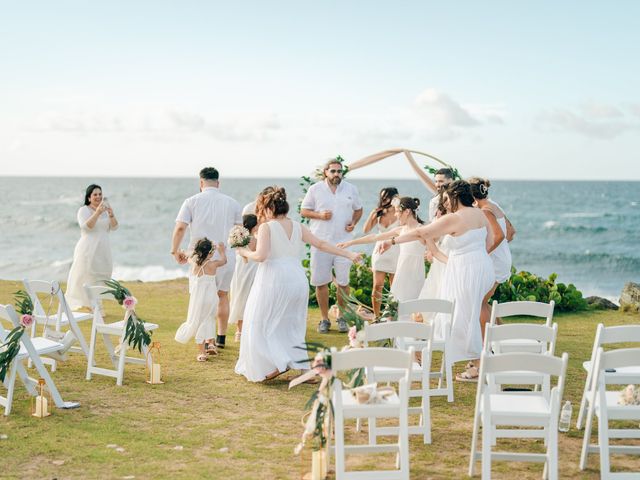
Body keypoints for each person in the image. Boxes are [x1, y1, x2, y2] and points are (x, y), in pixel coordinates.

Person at [234, 187, 361, 382]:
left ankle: (278, 362)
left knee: (261, 320)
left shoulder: (266, 227)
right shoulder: (297, 226)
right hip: (296, 278)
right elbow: (321, 244)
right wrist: (349, 254)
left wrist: (244, 253)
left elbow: (261, 256)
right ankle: (303, 369)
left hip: (274, 278)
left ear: (268, 208)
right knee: (292, 323)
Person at [377, 181, 495, 381]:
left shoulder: (455, 218)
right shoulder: (480, 214)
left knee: (463, 315)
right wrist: (463, 257)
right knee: (471, 312)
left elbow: (421, 232)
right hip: (483, 266)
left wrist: (392, 241)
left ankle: (477, 364)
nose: (445, 203)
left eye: (447, 198)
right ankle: (478, 359)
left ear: (455, 196)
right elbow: (490, 241)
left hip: (465, 270)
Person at [171, 167, 242, 351]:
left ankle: (205, 343)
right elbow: (240, 232)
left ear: (201, 183)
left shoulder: (191, 201)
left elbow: (180, 228)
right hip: (224, 257)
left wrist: (175, 250)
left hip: (200, 260)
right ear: (218, 183)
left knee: (201, 298)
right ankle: (220, 337)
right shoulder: (232, 203)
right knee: (222, 295)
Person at [300, 159, 363, 333]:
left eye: (339, 171)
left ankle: (342, 317)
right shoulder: (315, 189)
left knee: (343, 282)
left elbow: (359, 210)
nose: (337, 174)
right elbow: (304, 211)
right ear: (326, 172)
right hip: (320, 242)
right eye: (333, 171)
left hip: (344, 242)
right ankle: (324, 319)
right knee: (321, 282)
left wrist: (354, 223)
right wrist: (319, 215)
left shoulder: (351, 189)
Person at [339, 197, 428, 305]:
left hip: (416, 273)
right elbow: (374, 237)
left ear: (407, 212)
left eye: (397, 211)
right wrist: (351, 242)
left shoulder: (424, 229)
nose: (395, 214)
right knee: (398, 305)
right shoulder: (400, 230)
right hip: (401, 272)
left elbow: (435, 246)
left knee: (415, 305)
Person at [469, 177, 513, 335]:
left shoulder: (485, 210)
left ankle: (487, 340)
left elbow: (500, 235)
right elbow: (511, 233)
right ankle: (503, 335)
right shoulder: (494, 206)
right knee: (483, 301)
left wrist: (484, 252)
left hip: (495, 262)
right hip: (502, 259)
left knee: (479, 302)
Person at [66, 184, 118, 309]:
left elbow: (114, 227)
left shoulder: (105, 210)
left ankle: (97, 304)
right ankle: (94, 306)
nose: (98, 197)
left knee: (102, 276)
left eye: (100, 194)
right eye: (95, 194)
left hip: (103, 249)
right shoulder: (83, 210)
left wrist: (111, 215)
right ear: (89, 198)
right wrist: (97, 213)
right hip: (88, 249)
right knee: (87, 276)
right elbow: (86, 227)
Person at [175, 238, 227, 361]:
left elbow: (188, 257)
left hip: (198, 299)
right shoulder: (213, 264)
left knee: (198, 322)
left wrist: (181, 251)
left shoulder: (194, 263)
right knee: (209, 320)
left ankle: (202, 352)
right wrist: (222, 251)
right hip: (211, 299)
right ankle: (211, 344)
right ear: (210, 253)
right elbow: (224, 261)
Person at [362, 187, 400, 317]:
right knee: (377, 286)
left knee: (394, 287)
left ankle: (391, 316)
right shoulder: (378, 213)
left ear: (395, 197)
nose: (384, 200)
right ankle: (377, 317)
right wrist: (372, 214)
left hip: (396, 250)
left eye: (387, 197)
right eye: (382, 197)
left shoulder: (400, 212)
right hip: (380, 252)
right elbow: (366, 230)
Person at [228, 214, 259, 342]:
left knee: (239, 297)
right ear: (254, 226)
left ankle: (239, 332)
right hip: (253, 272)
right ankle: (249, 330)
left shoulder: (238, 239)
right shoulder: (256, 240)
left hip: (239, 271)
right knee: (251, 298)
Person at [404, 151, 455, 222]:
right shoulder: (436, 197)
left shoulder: (456, 198)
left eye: (441, 181)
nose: (437, 184)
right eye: (436, 181)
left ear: (450, 181)